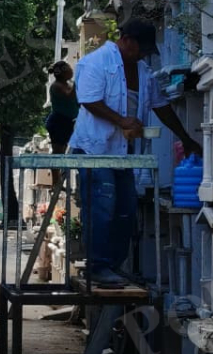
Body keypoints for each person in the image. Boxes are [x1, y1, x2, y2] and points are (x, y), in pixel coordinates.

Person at [68, 19, 201, 286]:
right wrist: (122, 121)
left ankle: (113, 267)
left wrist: (186, 138)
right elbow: (89, 100)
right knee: (102, 207)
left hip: (122, 151)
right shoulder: (96, 62)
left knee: (126, 210)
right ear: (126, 39)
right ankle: (97, 266)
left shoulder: (143, 71)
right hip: (94, 149)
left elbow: (161, 107)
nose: (142, 55)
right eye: (140, 48)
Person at [45, 61, 78, 154]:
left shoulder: (68, 84)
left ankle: (59, 168)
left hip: (67, 121)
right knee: (58, 151)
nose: (72, 71)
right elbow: (70, 96)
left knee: (63, 149)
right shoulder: (56, 86)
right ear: (63, 73)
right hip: (58, 122)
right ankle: (55, 168)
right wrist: (77, 81)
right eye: (70, 69)